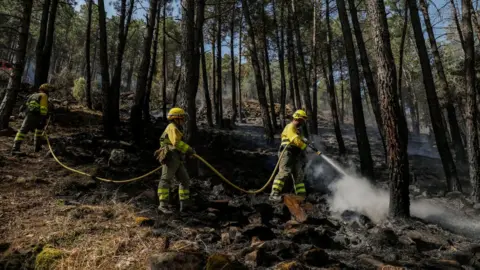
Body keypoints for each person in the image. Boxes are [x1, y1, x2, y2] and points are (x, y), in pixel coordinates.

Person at [155, 107, 195, 214]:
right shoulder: (172, 127)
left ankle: (185, 206)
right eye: (182, 118)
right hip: (171, 156)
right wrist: (189, 150)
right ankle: (163, 206)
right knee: (166, 179)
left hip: (176, 157)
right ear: (176, 118)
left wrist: (187, 152)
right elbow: (176, 143)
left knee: (185, 180)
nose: (183, 120)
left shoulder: (176, 128)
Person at [269, 109, 309, 202]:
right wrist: (305, 146)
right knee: (284, 172)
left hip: (295, 154)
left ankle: (301, 196)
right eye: (302, 120)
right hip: (287, 152)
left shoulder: (298, 131)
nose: (303, 122)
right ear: (298, 118)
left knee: (298, 175)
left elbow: (300, 139)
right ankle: (274, 194)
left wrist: (305, 141)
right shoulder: (290, 127)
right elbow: (295, 140)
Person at [12, 83, 53, 155]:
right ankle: (15, 149)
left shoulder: (33, 95)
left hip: (29, 114)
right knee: (24, 131)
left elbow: (26, 104)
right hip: (36, 115)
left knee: (36, 130)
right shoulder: (44, 95)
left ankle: (37, 148)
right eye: (49, 91)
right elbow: (43, 108)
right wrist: (44, 117)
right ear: (46, 90)